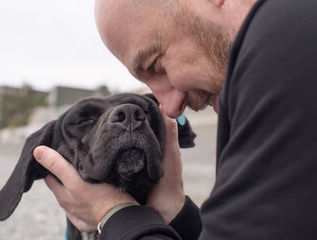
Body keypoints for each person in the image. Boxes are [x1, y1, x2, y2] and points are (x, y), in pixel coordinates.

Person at [33, 0, 317, 239]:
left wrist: (115, 214)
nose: (169, 108)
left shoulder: (287, 40)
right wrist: (176, 214)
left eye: (157, 64)